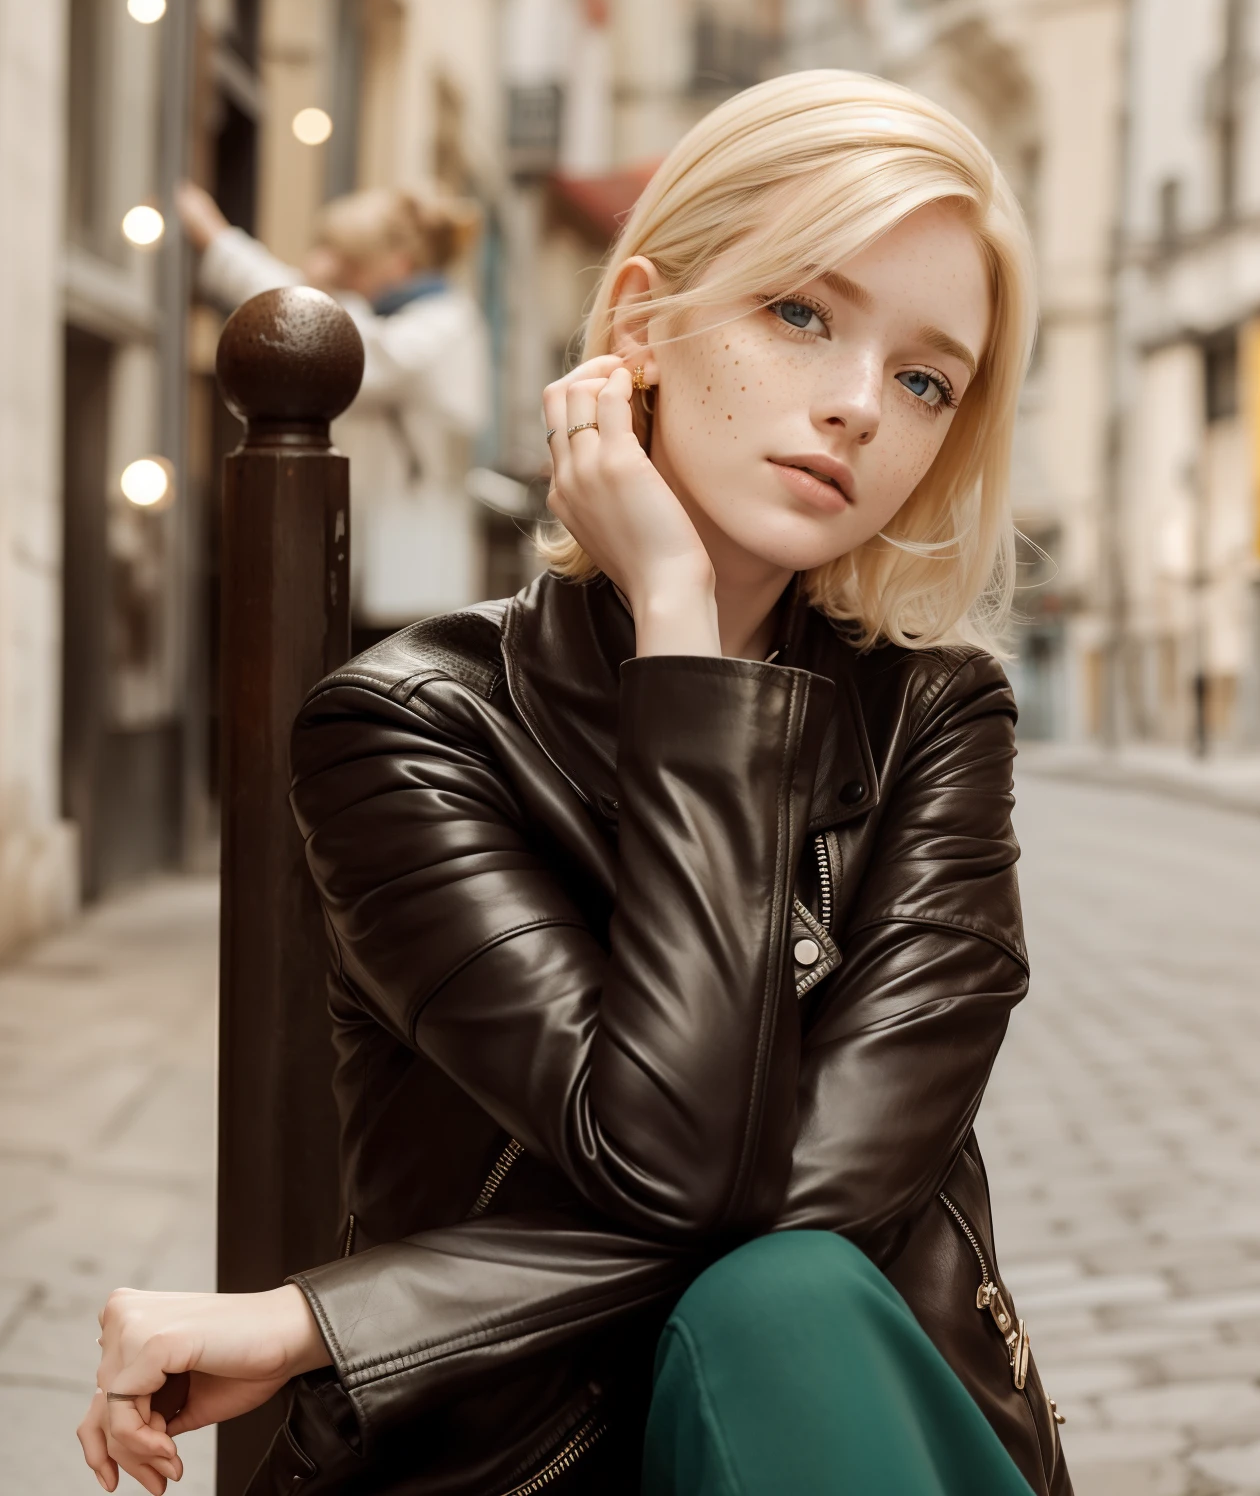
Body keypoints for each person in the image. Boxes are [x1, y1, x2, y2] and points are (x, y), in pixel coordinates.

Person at [80, 72, 1072, 1496]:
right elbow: (683, 1164)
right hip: (515, 1464)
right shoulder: (411, 730)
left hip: (836, 1423)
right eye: (802, 313)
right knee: (769, 1291)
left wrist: (327, 1321)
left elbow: (822, 1198)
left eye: (926, 379)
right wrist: (676, 613)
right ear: (639, 327)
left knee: (782, 1306)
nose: (860, 406)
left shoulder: (936, 719)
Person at [178, 180, 490, 643]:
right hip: (380, 558)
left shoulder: (440, 328)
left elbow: (330, 336)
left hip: (408, 570)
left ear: (398, 264)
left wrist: (219, 241)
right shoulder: (411, 318)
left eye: (351, 263)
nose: (341, 274)